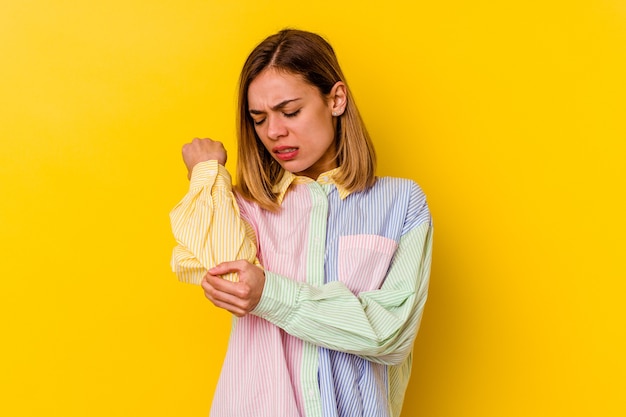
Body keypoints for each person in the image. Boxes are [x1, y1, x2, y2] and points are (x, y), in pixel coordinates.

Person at [170, 29, 433, 417]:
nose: (274, 132)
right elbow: (232, 283)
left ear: (336, 99)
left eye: (290, 112)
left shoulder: (401, 204)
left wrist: (271, 295)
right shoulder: (245, 205)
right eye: (259, 119)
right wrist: (208, 175)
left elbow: (389, 334)